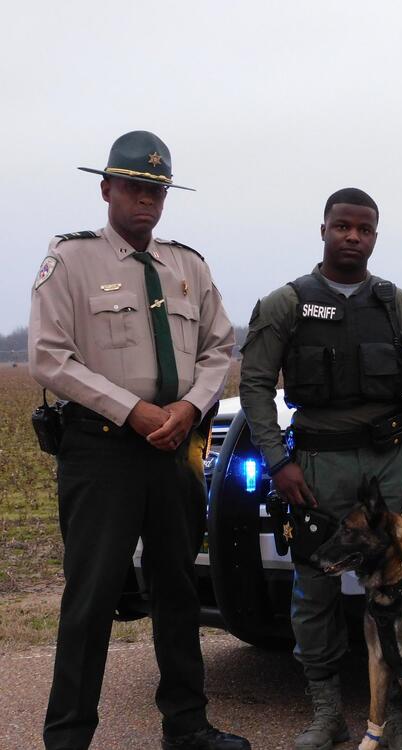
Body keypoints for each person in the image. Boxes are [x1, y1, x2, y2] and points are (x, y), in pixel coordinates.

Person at [28, 131, 247, 750]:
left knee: (177, 588)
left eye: (156, 189)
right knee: (92, 596)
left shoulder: (188, 266)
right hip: (102, 451)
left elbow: (218, 347)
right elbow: (49, 357)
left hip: (176, 446)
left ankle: (187, 725)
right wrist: (133, 412)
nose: (145, 200)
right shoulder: (71, 260)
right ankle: (68, 736)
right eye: (133, 187)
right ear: (107, 189)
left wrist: (188, 406)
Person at [239, 187, 402, 750]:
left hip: (390, 465)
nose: (352, 237)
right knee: (315, 590)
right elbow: (256, 385)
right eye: (342, 227)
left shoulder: (400, 306)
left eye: (363, 229)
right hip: (317, 467)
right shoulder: (285, 304)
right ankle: (327, 711)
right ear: (324, 229)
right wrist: (277, 460)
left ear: (374, 236)